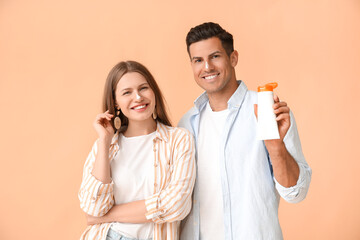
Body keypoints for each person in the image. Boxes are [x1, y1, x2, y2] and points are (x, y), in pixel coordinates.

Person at [178, 22, 312, 240]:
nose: (207, 67)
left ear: (233, 58)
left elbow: (296, 193)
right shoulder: (186, 123)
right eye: (198, 60)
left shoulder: (267, 111)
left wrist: (275, 145)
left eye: (215, 56)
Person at [78, 60, 196, 240]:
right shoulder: (105, 146)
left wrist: (108, 215)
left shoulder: (179, 139)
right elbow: (93, 208)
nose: (138, 97)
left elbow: (176, 204)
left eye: (143, 88)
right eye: (127, 92)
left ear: (153, 92)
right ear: (116, 103)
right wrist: (104, 141)